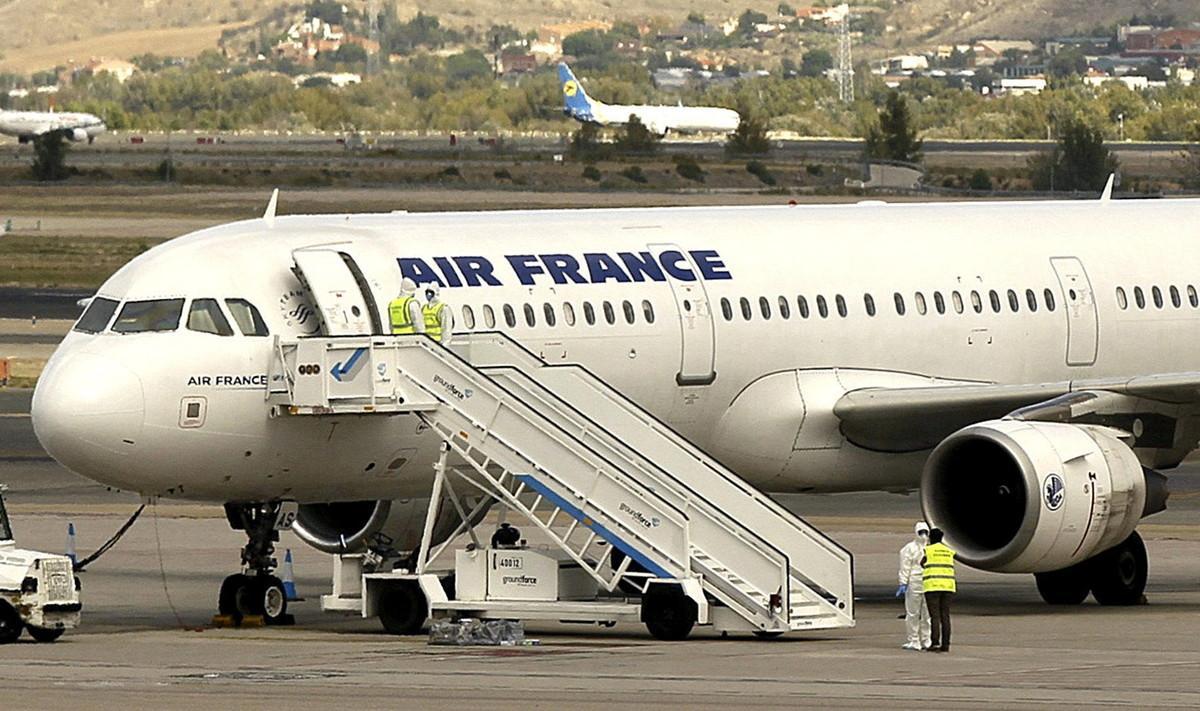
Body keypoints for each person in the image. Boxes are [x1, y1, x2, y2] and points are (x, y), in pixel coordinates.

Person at [897, 521, 932, 651]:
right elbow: (905, 567)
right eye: (920, 533)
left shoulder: (929, 548)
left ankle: (926, 639)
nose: (923, 536)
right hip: (914, 583)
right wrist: (903, 582)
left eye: (925, 533)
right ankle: (914, 640)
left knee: (926, 614)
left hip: (927, 582)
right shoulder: (909, 549)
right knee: (913, 613)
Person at [922, 527, 957, 653]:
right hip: (948, 586)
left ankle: (935, 642)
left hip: (933, 585)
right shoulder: (949, 551)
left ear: (930, 538)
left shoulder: (928, 550)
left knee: (934, 617)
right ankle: (946, 644)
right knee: (945, 616)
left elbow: (922, 563)